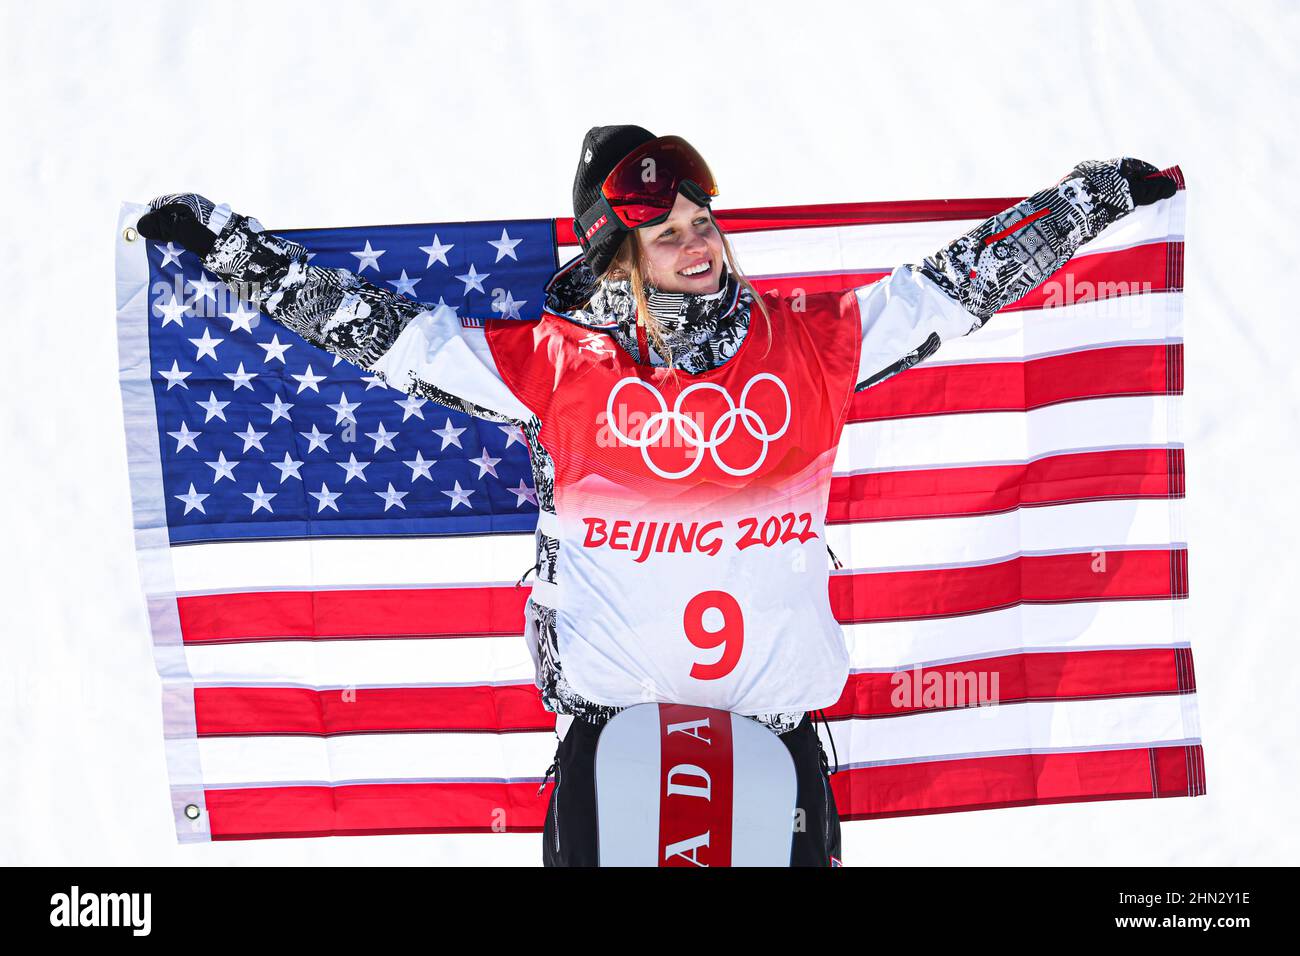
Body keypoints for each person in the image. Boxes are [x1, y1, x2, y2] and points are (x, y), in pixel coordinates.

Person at [137, 126, 1175, 867]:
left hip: (775, 742)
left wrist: (1086, 200)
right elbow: (376, 329)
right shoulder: (552, 367)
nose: (700, 240)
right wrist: (234, 252)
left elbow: (956, 284)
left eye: (702, 220)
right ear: (615, 258)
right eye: (668, 230)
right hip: (613, 748)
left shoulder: (814, 346)